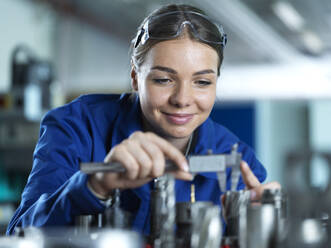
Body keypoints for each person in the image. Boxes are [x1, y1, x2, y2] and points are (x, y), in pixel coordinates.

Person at [7, 4, 280, 235]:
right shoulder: (76, 127)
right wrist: (93, 187)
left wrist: (261, 229)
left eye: (202, 81)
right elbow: (20, 235)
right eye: (163, 79)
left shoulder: (237, 159)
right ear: (136, 78)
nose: (182, 99)